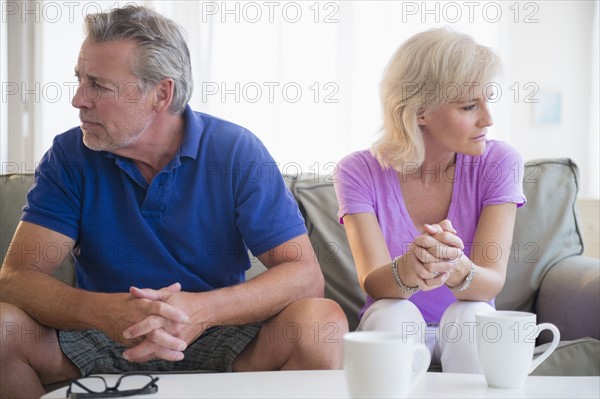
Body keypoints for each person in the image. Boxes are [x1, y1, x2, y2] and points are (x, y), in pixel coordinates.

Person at [0, 5, 347, 398]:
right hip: (99, 334)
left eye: (99, 85)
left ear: (160, 94)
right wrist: (106, 312)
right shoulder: (70, 155)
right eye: (79, 80)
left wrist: (199, 311)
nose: (79, 99)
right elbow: (16, 278)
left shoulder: (234, 151)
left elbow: (305, 275)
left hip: (219, 333)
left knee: (323, 324)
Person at [333, 28, 526, 373]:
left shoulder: (500, 163)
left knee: (471, 315)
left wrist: (456, 266)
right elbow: (374, 284)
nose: (488, 119)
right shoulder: (357, 171)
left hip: (467, 321)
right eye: (469, 106)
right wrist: (410, 268)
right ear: (420, 111)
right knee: (393, 313)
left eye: (487, 100)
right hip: (394, 322)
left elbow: (491, 281)